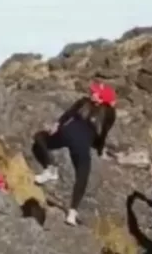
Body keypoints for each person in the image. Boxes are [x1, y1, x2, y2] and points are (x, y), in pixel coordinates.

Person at [32, 82, 117, 226]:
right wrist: (99, 150)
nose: (92, 93)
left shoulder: (89, 105)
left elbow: (68, 114)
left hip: (66, 135)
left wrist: (57, 124)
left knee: (40, 137)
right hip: (79, 143)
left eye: (96, 93)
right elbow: (102, 134)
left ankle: (50, 169)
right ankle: (72, 212)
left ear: (102, 99)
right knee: (82, 175)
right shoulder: (107, 113)